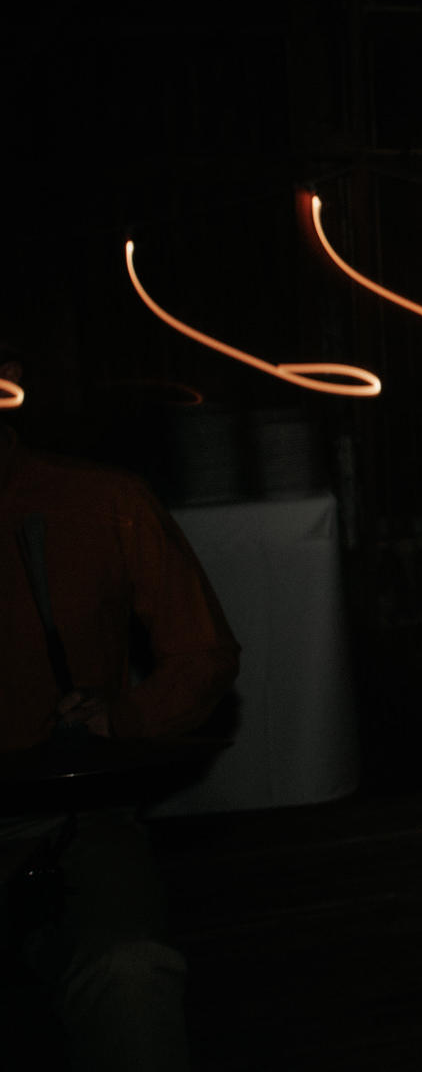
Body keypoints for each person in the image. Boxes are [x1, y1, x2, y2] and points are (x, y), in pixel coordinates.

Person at [1, 342, 241, 1072]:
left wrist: (126, 715)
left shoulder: (102, 503)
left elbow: (203, 653)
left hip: (68, 820)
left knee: (129, 968)